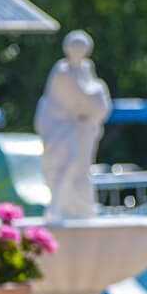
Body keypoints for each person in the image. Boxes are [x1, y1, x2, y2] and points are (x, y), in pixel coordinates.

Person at [33, 30, 111, 219]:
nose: (78, 53)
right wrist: (92, 98)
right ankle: (58, 204)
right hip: (58, 125)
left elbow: (93, 100)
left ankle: (78, 206)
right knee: (64, 163)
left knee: (79, 166)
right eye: (75, 49)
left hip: (77, 127)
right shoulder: (62, 71)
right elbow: (78, 95)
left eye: (81, 50)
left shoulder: (86, 68)